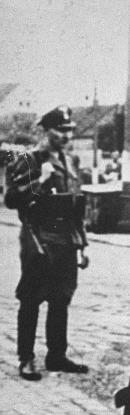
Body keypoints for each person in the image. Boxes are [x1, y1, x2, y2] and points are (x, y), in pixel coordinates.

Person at [3, 105, 90, 381]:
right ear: (46, 131)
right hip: (39, 236)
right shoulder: (31, 159)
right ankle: (26, 358)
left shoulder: (71, 161)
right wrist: (38, 181)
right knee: (31, 298)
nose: (65, 136)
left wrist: (82, 244)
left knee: (61, 298)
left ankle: (56, 355)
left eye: (69, 131)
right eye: (60, 131)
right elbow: (11, 199)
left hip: (66, 238)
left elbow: (77, 203)